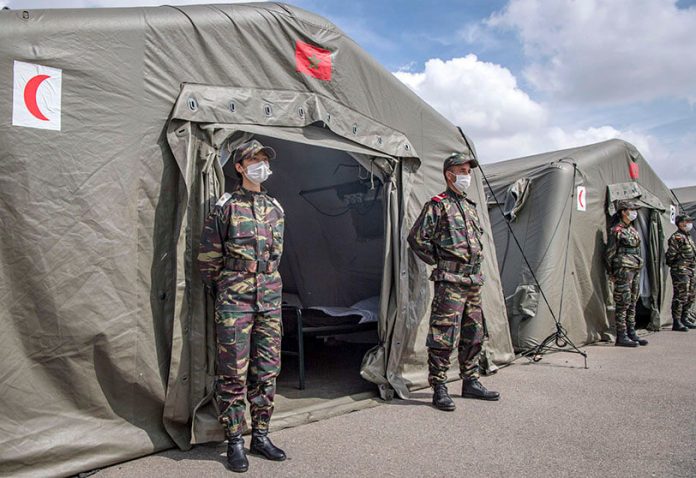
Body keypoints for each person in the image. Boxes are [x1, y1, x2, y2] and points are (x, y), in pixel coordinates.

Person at [198, 139, 286, 473]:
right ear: (239, 167)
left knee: (267, 370)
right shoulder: (226, 206)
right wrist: (226, 290)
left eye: (264, 159)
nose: (260, 164)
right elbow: (208, 259)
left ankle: (261, 435)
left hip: (269, 298)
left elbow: (276, 256)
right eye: (253, 160)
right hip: (235, 297)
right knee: (233, 371)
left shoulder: (276, 208)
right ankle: (235, 439)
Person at [407, 152, 500, 412]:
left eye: (469, 172)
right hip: (450, 280)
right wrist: (440, 260)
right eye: (463, 171)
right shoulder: (437, 205)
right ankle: (439, 386)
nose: (467, 176)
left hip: (473, 281)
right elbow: (416, 239)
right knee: (444, 334)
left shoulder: (470, 207)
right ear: (450, 174)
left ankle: (470, 381)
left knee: (474, 333)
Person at [606, 200, 648, 347]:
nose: (634, 212)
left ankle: (631, 331)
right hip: (623, 269)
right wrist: (611, 272)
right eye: (631, 209)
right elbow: (610, 252)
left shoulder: (632, 230)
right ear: (623, 211)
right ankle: (621, 335)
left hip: (635, 268)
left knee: (632, 301)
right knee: (623, 301)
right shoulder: (616, 230)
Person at [666, 214, 696, 331]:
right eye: (686, 221)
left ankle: (685, 317)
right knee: (681, 295)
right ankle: (677, 321)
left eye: (689, 221)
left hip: (691, 270)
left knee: (691, 295)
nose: (689, 224)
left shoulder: (688, 237)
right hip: (680, 270)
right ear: (680, 223)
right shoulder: (677, 237)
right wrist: (677, 266)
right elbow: (670, 255)